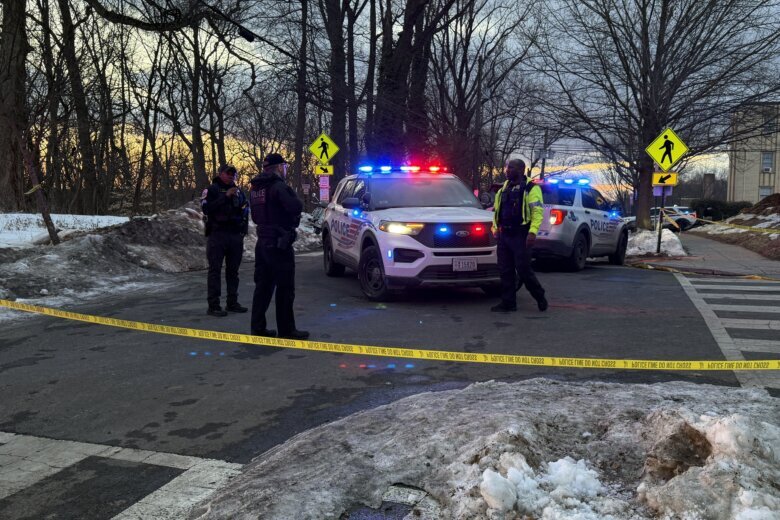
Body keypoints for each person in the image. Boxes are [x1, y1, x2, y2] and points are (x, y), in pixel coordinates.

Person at [248, 153, 309, 339]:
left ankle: (258, 327)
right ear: (278, 167)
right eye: (284, 166)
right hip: (279, 242)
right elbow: (295, 207)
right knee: (285, 288)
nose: (285, 170)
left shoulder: (256, 188)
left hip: (262, 242)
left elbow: (255, 216)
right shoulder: (279, 186)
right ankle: (287, 329)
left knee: (263, 287)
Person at [491, 158, 548, 312]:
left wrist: (532, 232)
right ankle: (508, 303)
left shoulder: (531, 188)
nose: (507, 170)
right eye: (507, 168)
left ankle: (539, 295)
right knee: (505, 270)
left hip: (521, 235)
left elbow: (537, 212)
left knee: (523, 269)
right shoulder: (504, 188)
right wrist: (495, 228)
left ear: (521, 170)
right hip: (504, 234)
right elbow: (497, 211)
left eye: (511, 168)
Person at [202, 164, 249, 317]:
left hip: (235, 235)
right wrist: (225, 196)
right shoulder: (212, 190)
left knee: (233, 271)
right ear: (220, 173)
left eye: (233, 174)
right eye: (228, 173)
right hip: (217, 234)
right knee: (215, 270)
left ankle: (232, 302)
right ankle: (214, 306)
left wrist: (243, 230)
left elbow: (245, 209)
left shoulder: (239, 191)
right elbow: (206, 209)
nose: (231, 176)